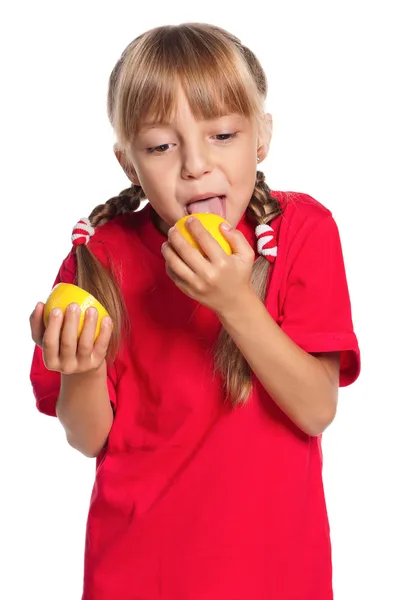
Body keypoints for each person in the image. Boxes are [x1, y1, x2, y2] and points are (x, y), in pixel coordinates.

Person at [29, 22, 361, 600]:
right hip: (137, 575)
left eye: (224, 135)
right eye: (161, 146)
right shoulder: (100, 258)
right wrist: (80, 367)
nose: (195, 165)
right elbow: (88, 439)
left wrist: (235, 302)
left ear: (262, 138)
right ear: (129, 165)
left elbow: (315, 408)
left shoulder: (303, 231)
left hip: (277, 579)